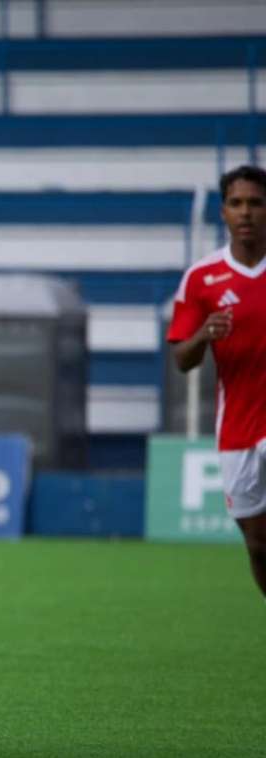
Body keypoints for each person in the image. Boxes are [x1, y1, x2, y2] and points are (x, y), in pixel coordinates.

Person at [168, 163, 266, 597]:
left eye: (256, 203)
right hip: (238, 428)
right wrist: (203, 335)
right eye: (236, 203)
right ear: (223, 212)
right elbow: (182, 360)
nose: (246, 212)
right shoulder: (202, 279)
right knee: (258, 544)